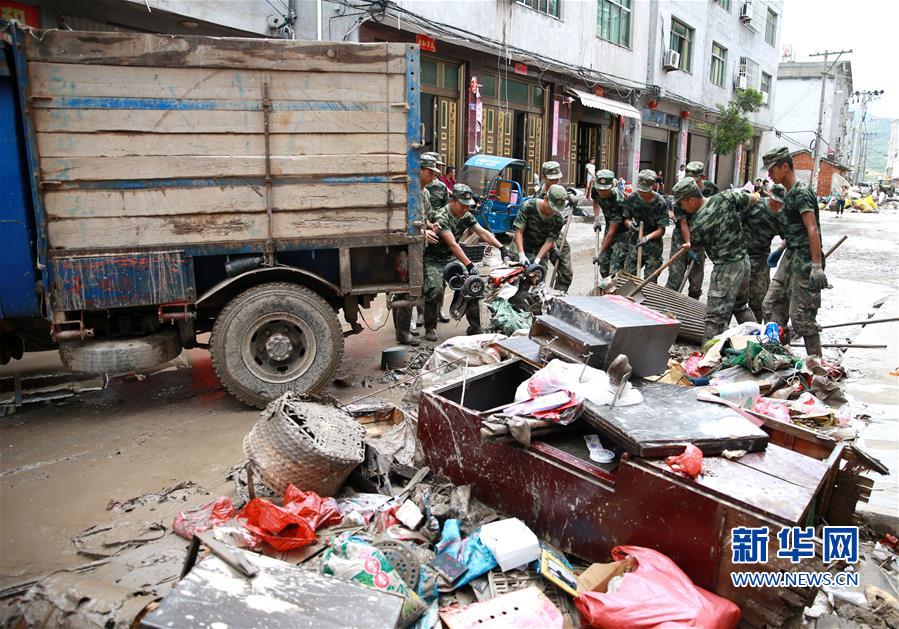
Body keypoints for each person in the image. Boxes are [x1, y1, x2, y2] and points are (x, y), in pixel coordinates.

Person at [671, 178, 758, 341]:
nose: (681, 207)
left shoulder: (698, 223)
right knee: (741, 307)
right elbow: (753, 198)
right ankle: (763, 341)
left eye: (682, 203)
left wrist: (689, 245)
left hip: (726, 269)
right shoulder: (725, 197)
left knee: (714, 318)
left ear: (691, 200)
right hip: (743, 261)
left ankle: (706, 360)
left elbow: (696, 245)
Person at [762, 146, 827, 357]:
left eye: (772, 169)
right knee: (771, 305)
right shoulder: (789, 194)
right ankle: (783, 357)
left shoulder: (801, 193)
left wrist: (816, 266)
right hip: (791, 254)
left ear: (785, 166)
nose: (769, 175)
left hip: (805, 258)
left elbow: (812, 228)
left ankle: (817, 368)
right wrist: (780, 249)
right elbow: (795, 230)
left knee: (801, 317)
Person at [423, 183, 508, 341]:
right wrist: (469, 265)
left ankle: (475, 327)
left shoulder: (465, 214)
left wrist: (502, 248)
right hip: (434, 259)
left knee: (473, 285)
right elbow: (453, 245)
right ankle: (430, 327)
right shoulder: (441, 216)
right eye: (463, 205)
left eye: (468, 206)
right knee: (435, 290)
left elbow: (482, 233)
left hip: (451, 258)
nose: (466, 209)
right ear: (453, 201)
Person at [741, 183, 785, 321]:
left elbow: (789, 237)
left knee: (758, 298)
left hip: (761, 259)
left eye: (779, 203)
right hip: (741, 255)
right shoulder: (755, 205)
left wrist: (779, 251)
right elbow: (737, 222)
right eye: (774, 200)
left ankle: (758, 328)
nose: (776, 204)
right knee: (736, 296)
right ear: (769, 195)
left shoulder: (782, 217)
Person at [512, 184, 568, 291]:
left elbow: (550, 241)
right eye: (552, 207)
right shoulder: (529, 206)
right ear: (546, 199)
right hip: (520, 247)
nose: (553, 211)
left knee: (537, 288)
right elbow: (519, 231)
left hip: (540, 250)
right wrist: (521, 254)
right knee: (515, 286)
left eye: (556, 209)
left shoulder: (558, 219)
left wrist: (538, 259)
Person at [665, 162, 707, 298]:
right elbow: (683, 223)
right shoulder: (681, 192)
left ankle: (691, 312)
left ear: (702, 177)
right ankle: (666, 307)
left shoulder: (710, 191)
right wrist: (689, 243)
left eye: (695, 181)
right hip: (681, 238)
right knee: (675, 279)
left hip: (700, 238)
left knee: (696, 282)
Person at [533, 161, 574, 292]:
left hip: (557, 234)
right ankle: (537, 300)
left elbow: (564, 195)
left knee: (566, 272)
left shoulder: (559, 189)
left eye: (557, 178)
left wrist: (570, 197)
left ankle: (558, 296)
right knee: (539, 273)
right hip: (541, 237)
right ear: (544, 177)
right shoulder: (540, 196)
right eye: (552, 179)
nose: (556, 181)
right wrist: (553, 247)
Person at [622, 169, 670, 281]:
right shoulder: (632, 197)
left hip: (653, 244)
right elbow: (626, 218)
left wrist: (647, 238)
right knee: (628, 277)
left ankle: (647, 298)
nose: (642, 193)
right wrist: (629, 224)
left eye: (645, 190)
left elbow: (661, 230)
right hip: (635, 240)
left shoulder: (660, 202)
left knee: (650, 280)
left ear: (653, 186)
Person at [590, 169, 628, 276]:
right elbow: (595, 201)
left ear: (611, 186)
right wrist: (597, 218)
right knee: (604, 267)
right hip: (609, 227)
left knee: (614, 269)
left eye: (605, 189)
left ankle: (617, 291)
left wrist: (599, 252)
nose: (601, 192)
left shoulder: (618, 200)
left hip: (623, 233)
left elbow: (613, 231)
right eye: (599, 189)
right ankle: (606, 291)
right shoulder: (595, 189)